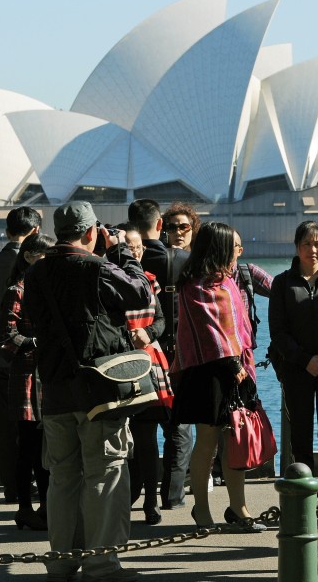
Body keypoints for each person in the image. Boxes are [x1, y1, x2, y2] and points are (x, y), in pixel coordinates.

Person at [23, 201, 152, 582]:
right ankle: (102, 564)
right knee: (106, 473)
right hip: (99, 391)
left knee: (62, 478)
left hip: (56, 388)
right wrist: (124, 254)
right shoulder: (99, 267)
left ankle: (62, 560)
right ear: (92, 232)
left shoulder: (37, 272)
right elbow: (140, 295)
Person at [171, 221, 265, 533]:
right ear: (218, 249)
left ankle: (239, 507)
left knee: (234, 438)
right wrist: (232, 365)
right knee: (208, 442)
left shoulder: (227, 283)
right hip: (207, 374)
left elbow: (238, 330)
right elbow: (208, 335)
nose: (237, 252)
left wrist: (241, 367)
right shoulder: (193, 287)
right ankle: (203, 511)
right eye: (232, 247)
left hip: (237, 370)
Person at [268, 220, 318, 520]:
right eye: (306, 244)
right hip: (297, 371)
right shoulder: (283, 283)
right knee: (300, 437)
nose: (312, 250)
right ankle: (303, 499)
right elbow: (278, 331)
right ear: (296, 247)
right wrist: (303, 359)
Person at [129, 199, 191, 512]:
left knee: (141, 427)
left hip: (135, 353)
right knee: (179, 427)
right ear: (160, 225)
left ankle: (135, 493)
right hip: (177, 352)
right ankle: (173, 494)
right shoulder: (185, 259)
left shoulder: (120, 261)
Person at [0, 205, 42, 503]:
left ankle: (12, 487)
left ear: (7, 230)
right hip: (30, 358)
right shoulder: (38, 262)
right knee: (34, 423)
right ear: (36, 231)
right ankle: (38, 483)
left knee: (4, 426)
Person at [0, 233, 54, 531]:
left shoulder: (48, 288)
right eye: (43, 256)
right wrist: (37, 341)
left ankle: (45, 506)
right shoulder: (16, 290)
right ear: (29, 256)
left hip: (47, 373)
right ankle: (24, 507)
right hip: (28, 375)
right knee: (28, 445)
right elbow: (7, 338)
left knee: (46, 444)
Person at [116, 223, 171, 525]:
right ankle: (126, 496)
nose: (134, 251)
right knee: (122, 438)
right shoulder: (106, 280)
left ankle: (151, 500)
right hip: (117, 365)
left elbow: (162, 319)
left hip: (149, 363)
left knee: (147, 438)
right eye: (127, 246)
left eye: (137, 246)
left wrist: (148, 333)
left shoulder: (150, 281)